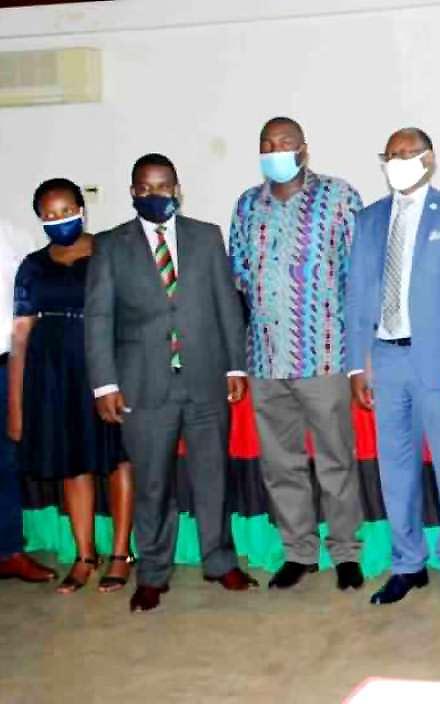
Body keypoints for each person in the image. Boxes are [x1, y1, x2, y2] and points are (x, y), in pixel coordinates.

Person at [86, 153, 258, 613]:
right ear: (132, 192)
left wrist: (235, 368)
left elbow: (226, 305)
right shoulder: (110, 246)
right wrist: (104, 385)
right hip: (142, 385)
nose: (155, 195)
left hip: (205, 379)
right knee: (154, 484)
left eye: (163, 187)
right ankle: (154, 572)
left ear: (178, 189)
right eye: (145, 188)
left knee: (213, 478)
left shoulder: (206, 237)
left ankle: (220, 562)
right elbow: (99, 318)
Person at [347, 128, 440, 607]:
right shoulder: (368, 220)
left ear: (430, 159)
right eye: (391, 155)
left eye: (408, 154)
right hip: (384, 358)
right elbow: (357, 295)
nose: (398, 162)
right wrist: (356, 367)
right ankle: (407, 562)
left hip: (438, 361)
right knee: (395, 468)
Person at [230, 116, 364, 591]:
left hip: (324, 354)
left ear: (304, 149)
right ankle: (299, 551)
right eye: (267, 143)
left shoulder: (339, 197)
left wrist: (357, 358)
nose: (275, 149)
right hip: (265, 359)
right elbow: (240, 276)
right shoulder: (247, 205)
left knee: (335, 461)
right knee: (281, 463)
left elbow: (357, 276)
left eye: (284, 142)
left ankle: (346, 552)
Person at [9, 179, 134, 593]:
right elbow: (21, 335)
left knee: (117, 459)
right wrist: (16, 404)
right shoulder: (32, 265)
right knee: (72, 464)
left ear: (82, 209)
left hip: (105, 370)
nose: (58, 219)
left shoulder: (110, 251)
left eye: (66, 210)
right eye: (49, 214)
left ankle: (120, 555)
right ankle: (84, 556)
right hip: (53, 375)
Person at [0, 216, 56, 585]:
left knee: (7, 460)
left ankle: (8, 552)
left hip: (5, 365)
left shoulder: (14, 235)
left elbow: (29, 308)